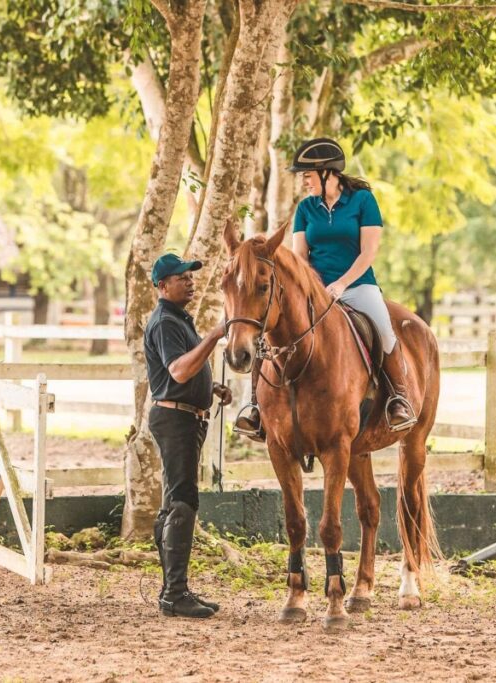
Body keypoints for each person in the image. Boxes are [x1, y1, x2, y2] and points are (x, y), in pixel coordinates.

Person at [234, 137, 416, 436]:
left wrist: (342, 284)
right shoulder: (306, 209)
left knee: (384, 327)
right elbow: (300, 257)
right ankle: (253, 406)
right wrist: (310, 287)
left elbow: (368, 252)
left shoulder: (363, 201)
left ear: (328, 173)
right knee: (269, 331)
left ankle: (398, 398)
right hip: (315, 290)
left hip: (358, 286)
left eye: (307, 175)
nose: (304, 182)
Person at [145, 253, 233, 619]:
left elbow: (181, 371)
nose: (190, 281)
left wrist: (209, 386)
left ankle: (173, 589)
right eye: (182, 277)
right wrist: (214, 335)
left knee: (174, 503)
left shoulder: (178, 319)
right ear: (163, 286)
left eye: (191, 276)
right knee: (183, 502)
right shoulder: (165, 321)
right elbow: (179, 371)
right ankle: (174, 594)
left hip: (185, 418)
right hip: (175, 421)